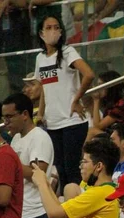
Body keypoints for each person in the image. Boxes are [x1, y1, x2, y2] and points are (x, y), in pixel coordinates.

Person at [35, 15, 95, 192]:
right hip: (53, 123)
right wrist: (40, 112)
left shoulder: (68, 52)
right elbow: (45, 88)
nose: (53, 31)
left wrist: (76, 99)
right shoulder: (40, 58)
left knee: (72, 170)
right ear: (41, 33)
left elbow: (89, 74)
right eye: (48, 27)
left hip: (72, 121)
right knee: (61, 170)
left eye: (56, 27)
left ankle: (77, 208)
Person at [3, 93, 54, 218]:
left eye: (9, 117)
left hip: (35, 211)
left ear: (25, 114)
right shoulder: (16, 139)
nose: (5, 122)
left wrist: (9, 159)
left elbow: (37, 174)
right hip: (19, 210)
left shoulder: (39, 137)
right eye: (3, 118)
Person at [89, 70, 124, 139]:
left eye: (101, 85)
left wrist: (96, 100)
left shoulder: (121, 105)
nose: (98, 89)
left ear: (110, 87)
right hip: (120, 135)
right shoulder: (112, 104)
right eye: (98, 85)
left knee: (92, 132)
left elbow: (97, 126)